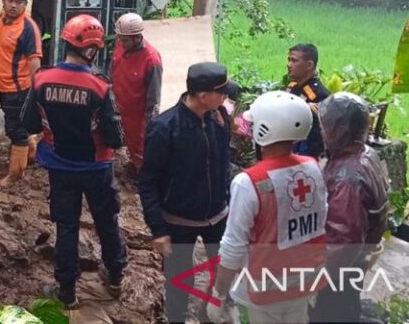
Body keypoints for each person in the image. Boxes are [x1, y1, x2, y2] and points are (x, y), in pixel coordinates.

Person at [21, 14, 127, 309]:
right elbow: (115, 137)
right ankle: (115, 276)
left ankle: (66, 291)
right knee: (107, 220)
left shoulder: (42, 79)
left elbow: (28, 122)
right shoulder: (100, 87)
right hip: (97, 167)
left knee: (66, 226)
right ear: (91, 50)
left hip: (60, 166)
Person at [208, 91, 326, 324]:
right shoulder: (313, 168)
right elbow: (318, 224)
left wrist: (218, 294)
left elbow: (233, 246)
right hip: (303, 283)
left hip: (260, 292)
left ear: (264, 129)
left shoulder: (248, 182)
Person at [138, 62, 232, 323]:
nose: (225, 97)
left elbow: (225, 163)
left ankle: (210, 315)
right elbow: (147, 180)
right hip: (178, 222)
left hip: (219, 217)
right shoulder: (165, 128)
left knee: (223, 273)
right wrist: (158, 228)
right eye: (221, 92)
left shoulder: (220, 117)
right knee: (179, 280)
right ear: (203, 96)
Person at [309, 92, 389, 323]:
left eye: (325, 125)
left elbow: (342, 242)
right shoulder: (366, 154)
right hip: (356, 263)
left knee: (329, 313)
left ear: (340, 130)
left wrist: (315, 279)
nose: (321, 131)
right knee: (346, 307)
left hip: (339, 272)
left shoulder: (347, 178)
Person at [0, 0, 42, 187]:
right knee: (17, 126)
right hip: (3, 87)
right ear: (3, 0)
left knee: (15, 131)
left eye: (19, 1)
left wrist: (35, 93)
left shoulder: (28, 28)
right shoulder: (1, 19)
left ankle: (15, 175)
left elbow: (35, 61)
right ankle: (32, 149)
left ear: (25, 5)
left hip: (19, 90)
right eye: (10, 0)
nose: (14, 5)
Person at [110, 12, 162, 173]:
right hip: (117, 107)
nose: (120, 42)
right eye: (119, 38)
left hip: (137, 115)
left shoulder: (151, 60)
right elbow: (113, 71)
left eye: (124, 40)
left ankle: (142, 178)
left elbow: (154, 98)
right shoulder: (120, 46)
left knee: (140, 149)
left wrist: (150, 124)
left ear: (137, 37)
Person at [286, 43, 330, 158]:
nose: (289, 65)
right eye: (289, 60)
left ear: (309, 65)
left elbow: (317, 136)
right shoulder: (293, 87)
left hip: (306, 155)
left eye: (294, 61)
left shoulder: (319, 95)